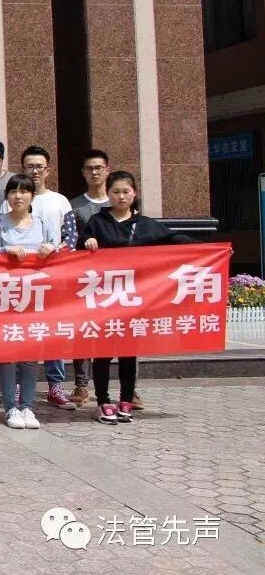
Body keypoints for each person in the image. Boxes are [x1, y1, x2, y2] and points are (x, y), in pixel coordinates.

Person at [82, 170, 195, 424]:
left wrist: (210, 249)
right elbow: (80, 244)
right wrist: (87, 240)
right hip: (105, 299)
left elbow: (175, 239)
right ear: (108, 194)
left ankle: (126, 399)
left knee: (128, 353)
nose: (121, 196)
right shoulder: (97, 223)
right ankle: (102, 401)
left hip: (134, 301)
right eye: (115, 192)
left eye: (126, 191)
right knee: (102, 353)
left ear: (134, 193)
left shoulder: (146, 225)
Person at [0, 174, 59, 430]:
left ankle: (27, 406)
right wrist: (4, 251)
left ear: (32, 196)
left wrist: (51, 249)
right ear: (7, 196)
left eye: (24, 191)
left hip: (35, 298)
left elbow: (61, 254)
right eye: (13, 191)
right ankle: (10, 407)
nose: (18, 196)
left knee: (30, 355)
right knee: (7, 356)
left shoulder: (44, 224)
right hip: (6, 298)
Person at [16, 145, 83, 411]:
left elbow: (71, 237)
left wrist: (54, 250)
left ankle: (55, 386)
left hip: (54, 275)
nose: (34, 171)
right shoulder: (13, 198)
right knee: (21, 332)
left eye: (39, 167)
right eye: (29, 166)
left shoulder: (60, 201)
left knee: (53, 330)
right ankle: (19, 385)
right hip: (20, 278)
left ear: (48, 170)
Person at [67, 148, 114, 407]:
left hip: (117, 278)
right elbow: (70, 239)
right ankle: (81, 384)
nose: (94, 172)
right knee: (84, 330)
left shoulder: (119, 200)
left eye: (99, 168)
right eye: (89, 168)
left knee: (120, 330)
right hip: (85, 278)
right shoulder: (74, 205)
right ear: (83, 173)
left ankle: (129, 388)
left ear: (107, 170)